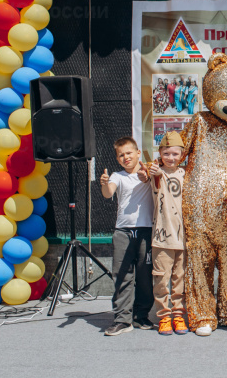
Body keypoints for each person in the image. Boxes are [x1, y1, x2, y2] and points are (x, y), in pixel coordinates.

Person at [99, 137, 154, 336]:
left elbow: (157, 181)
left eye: (129, 153)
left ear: (138, 152)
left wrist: (147, 176)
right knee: (122, 276)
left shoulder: (149, 171)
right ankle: (122, 319)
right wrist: (105, 184)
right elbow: (108, 193)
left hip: (146, 231)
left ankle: (141, 315)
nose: (125, 157)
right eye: (121, 155)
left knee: (145, 276)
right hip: (122, 231)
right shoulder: (117, 176)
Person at [141, 132, 188, 335]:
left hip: (184, 238)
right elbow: (150, 174)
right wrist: (151, 170)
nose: (171, 157)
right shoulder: (156, 172)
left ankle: (178, 315)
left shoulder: (186, 174)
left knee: (180, 280)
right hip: (162, 238)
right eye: (166, 153)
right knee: (161, 280)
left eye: (175, 154)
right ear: (160, 153)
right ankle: (164, 316)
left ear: (182, 155)